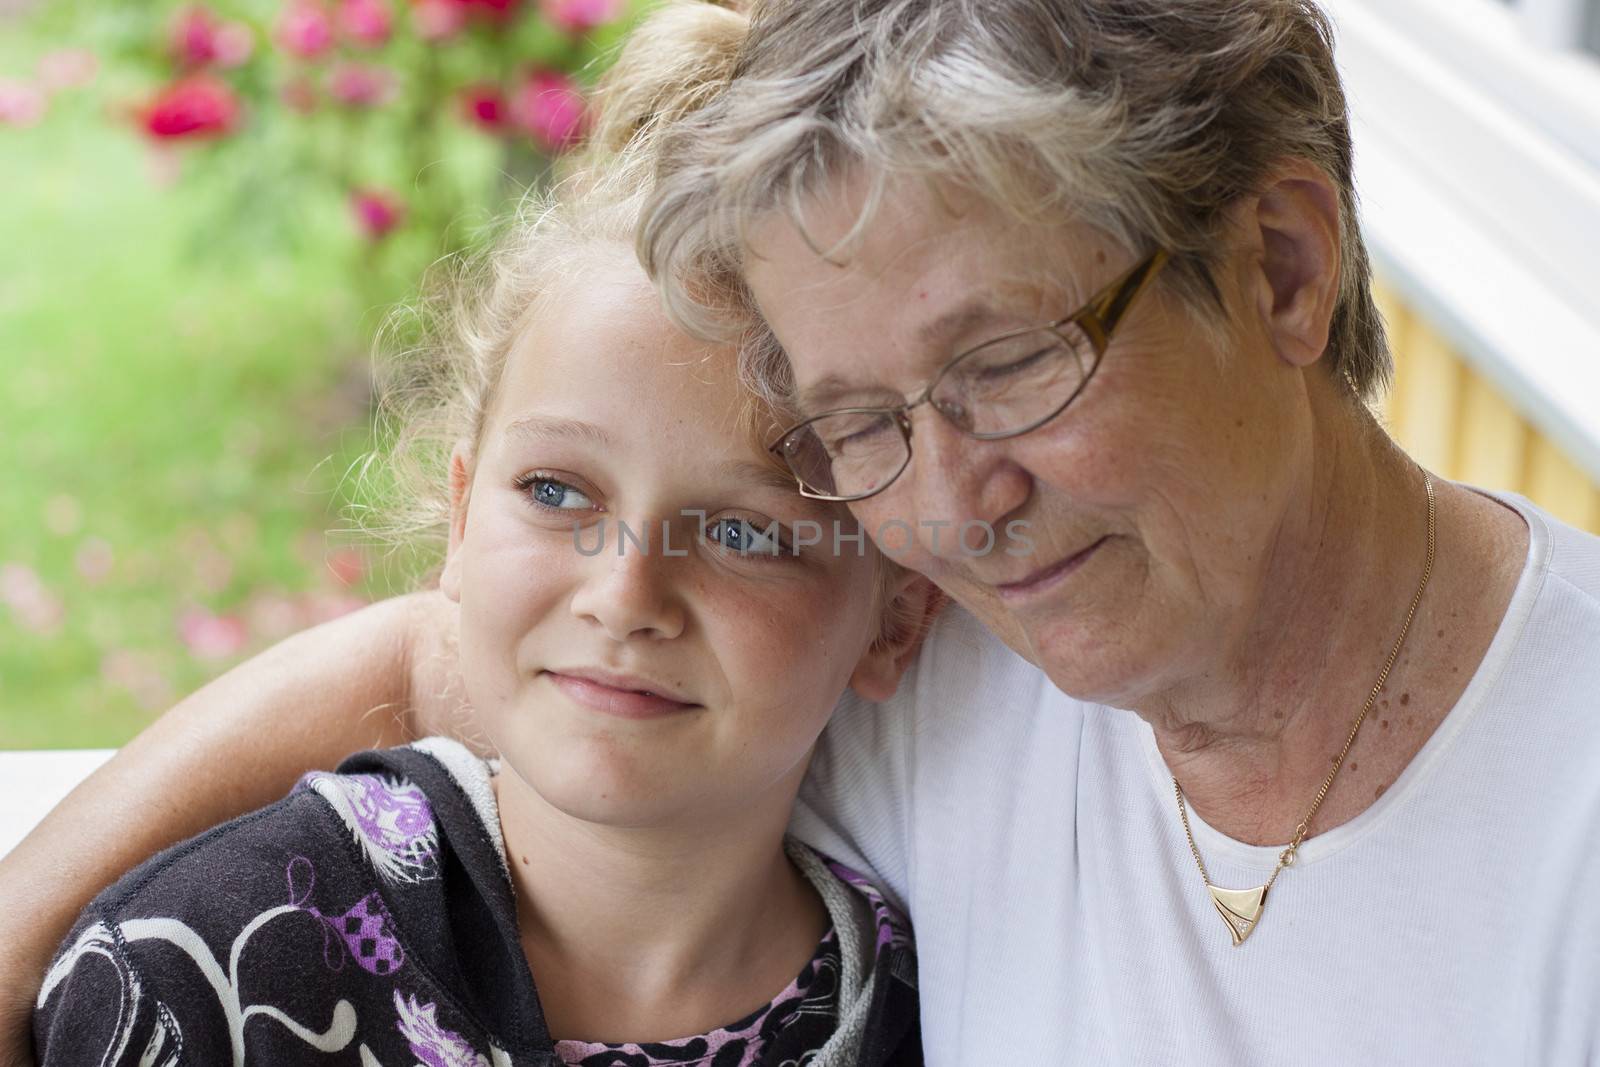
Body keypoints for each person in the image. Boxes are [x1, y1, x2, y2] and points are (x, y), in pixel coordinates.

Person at [5, 0, 1600, 1062]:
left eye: (1004, 361)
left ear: (1281, 269)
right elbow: (472, 648)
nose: (951, 503)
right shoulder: (971, 643)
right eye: (861, 421)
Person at [22, 17, 936, 1061]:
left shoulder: (926, 1007)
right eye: (555, 489)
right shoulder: (201, 969)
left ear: (897, 612)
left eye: (741, 530)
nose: (625, 590)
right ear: (460, 517)